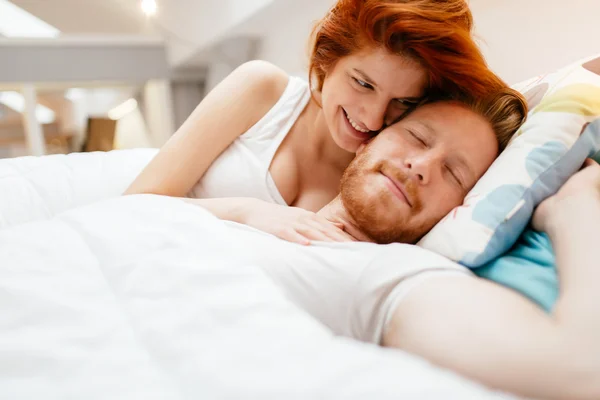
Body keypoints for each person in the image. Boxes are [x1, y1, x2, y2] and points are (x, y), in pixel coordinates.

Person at [125, 0, 526, 245]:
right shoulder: (262, 89)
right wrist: (246, 212)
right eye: (362, 83)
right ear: (327, 60)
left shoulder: (382, 178)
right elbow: (137, 201)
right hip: (161, 244)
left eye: (402, 101)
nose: (371, 118)